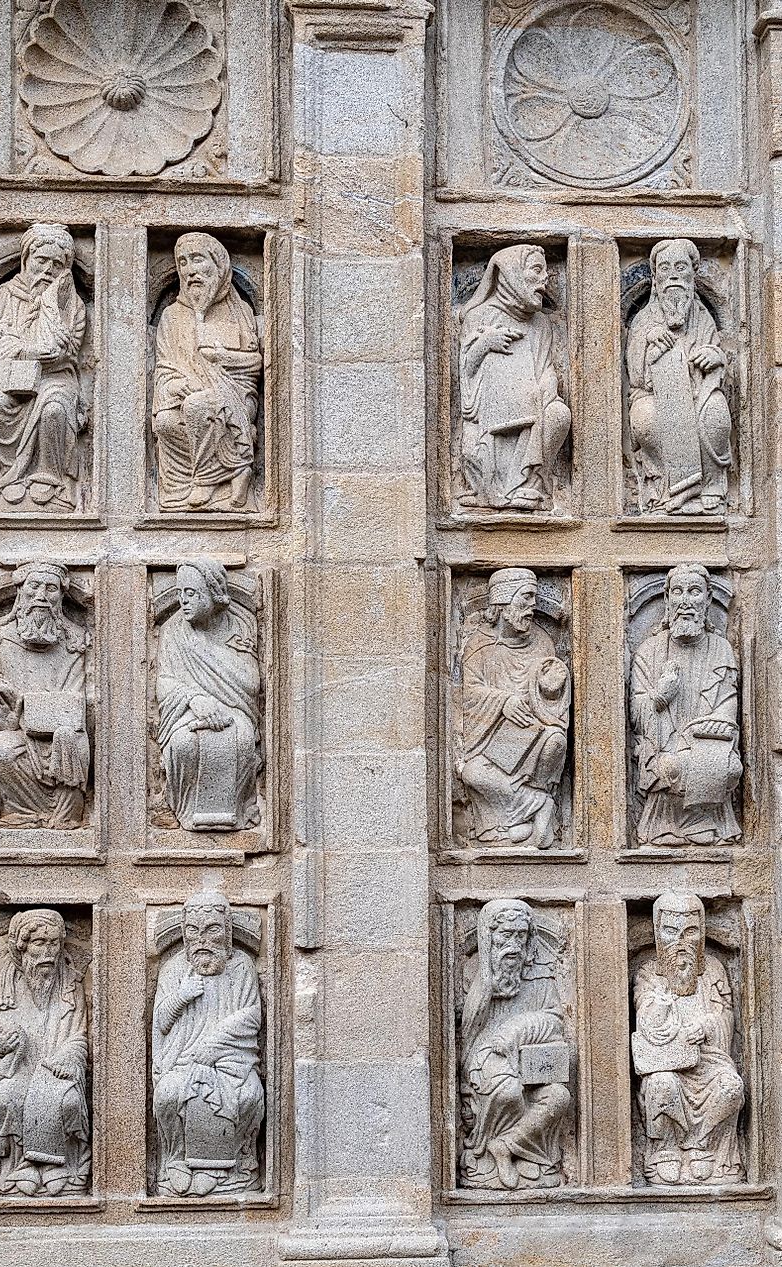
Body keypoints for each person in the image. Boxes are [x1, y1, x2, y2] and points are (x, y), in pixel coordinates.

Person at [152, 891, 264, 1195]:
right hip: (183, 1058)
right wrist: (182, 995)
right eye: (193, 930)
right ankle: (175, 1160)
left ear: (226, 932)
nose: (202, 939)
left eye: (212, 929)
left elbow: (252, 1015)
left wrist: (216, 1041)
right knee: (168, 1094)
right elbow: (161, 1021)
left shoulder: (241, 967)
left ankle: (230, 1165)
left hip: (231, 1059)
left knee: (248, 1095)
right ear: (185, 934)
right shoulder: (174, 970)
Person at [633, 891, 744, 1186]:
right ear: (658, 932)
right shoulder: (649, 973)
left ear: (702, 932)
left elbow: (725, 1020)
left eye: (690, 931)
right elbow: (646, 1022)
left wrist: (707, 1025)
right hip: (668, 1063)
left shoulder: (713, 971)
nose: (680, 942)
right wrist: (661, 1005)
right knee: (661, 1084)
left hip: (709, 1061)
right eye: (671, 931)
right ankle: (666, 1148)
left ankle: (701, 1143)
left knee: (731, 1088)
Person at [460, 899, 570, 1190]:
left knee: (559, 1096)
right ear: (490, 939)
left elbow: (554, 1020)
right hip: (487, 1057)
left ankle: (507, 1146)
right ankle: (484, 1151)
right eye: (505, 936)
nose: (513, 945)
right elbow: (469, 1039)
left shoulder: (541, 979)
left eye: (520, 936)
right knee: (508, 1091)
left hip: (529, 1059)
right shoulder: (481, 982)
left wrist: (518, 1029)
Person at [0, 908, 90, 1197]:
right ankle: (21, 1165)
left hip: (56, 1069)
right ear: (23, 946)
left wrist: (68, 1058)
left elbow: (79, 1035)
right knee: (6, 1097)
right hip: (16, 1070)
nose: (48, 952)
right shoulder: (2, 984)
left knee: (65, 1100)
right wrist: (0, 1044)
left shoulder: (70, 984)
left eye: (53, 943)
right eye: (39, 944)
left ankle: (58, 1166)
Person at [630, 563, 741, 847]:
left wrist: (719, 720)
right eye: (677, 592)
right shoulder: (650, 650)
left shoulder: (721, 648)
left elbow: (728, 702)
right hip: (664, 747)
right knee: (671, 766)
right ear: (667, 600)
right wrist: (661, 696)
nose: (685, 601)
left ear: (707, 598)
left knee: (729, 768)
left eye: (694, 591)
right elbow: (636, 713)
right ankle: (665, 825)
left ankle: (704, 819)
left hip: (706, 744)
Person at [459, 568, 569, 849]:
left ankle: (515, 830)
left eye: (533, 600)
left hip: (532, 733)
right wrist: (503, 701)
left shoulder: (543, 642)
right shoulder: (479, 646)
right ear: (503, 603)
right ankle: (536, 807)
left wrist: (550, 688)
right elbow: (468, 692)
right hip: (492, 738)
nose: (531, 608)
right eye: (525, 598)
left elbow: (550, 692)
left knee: (555, 742)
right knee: (473, 773)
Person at [152, 232, 262, 512]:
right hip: (188, 397)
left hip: (237, 396)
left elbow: (255, 364)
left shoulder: (239, 312)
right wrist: (176, 385)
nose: (190, 271)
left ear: (218, 265)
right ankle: (234, 469)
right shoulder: (172, 316)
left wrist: (223, 358)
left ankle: (208, 479)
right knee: (165, 421)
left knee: (198, 406)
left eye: (197, 260)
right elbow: (165, 367)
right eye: (183, 262)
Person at [0, 223, 87, 512]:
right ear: (27, 259)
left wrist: (50, 307)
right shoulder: (5, 294)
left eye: (57, 264)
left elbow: (67, 351)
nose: (47, 270)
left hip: (56, 379)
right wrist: (27, 350)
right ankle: (9, 478)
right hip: (14, 377)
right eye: (42, 261)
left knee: (54, 407)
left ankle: (49, 479)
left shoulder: (71, 304)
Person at [457, 244, 571, 512]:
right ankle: (491, 492)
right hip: (488, 419)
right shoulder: (479, 316)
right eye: (536, 270)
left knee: (558, 414)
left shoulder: (541, 324)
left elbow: (546, 368)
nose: (545, 279)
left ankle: (532, 485)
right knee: (473, 450)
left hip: (531, 409)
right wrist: (485, 343)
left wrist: (547, 390)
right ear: (512, 275)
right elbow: (466, 371)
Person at [0, 562, 90, 829]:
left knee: (72, 742)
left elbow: (78, 701)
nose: (41, 595)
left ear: (61, 597)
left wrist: (33, 709)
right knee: (1, 748)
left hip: (63, 735)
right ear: (21, 591)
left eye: (51, 588)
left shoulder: (74, 642)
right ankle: (21, 811)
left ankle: (65, 813)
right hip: (17, 733)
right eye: (34, 586)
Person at [626, 239, 732, 514]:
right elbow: (635, 376)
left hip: (697, 392)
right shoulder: (644, 320)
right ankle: (668, 487)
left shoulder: (702, 318)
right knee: (646, 418)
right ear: (656, 277)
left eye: (681, 267)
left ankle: (708, 483)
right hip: (656, 396)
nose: (673, 274)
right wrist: (648, 343)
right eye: (665, 268)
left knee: (717, 413)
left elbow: (716, 353)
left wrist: (715, 357)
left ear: (692, 275)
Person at [156, 559, 260, 830]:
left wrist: (220, 705)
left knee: (242, 739)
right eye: (180, 593)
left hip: (233, 711)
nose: (183, 601)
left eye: (191, 593)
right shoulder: (173, 632)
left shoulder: (240, 628)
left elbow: (249, 683)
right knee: (182, 744)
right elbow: (164, 683)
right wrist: (195, 699)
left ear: (213, 593)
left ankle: (234, 809)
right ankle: (183, 808)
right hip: (187, 711)